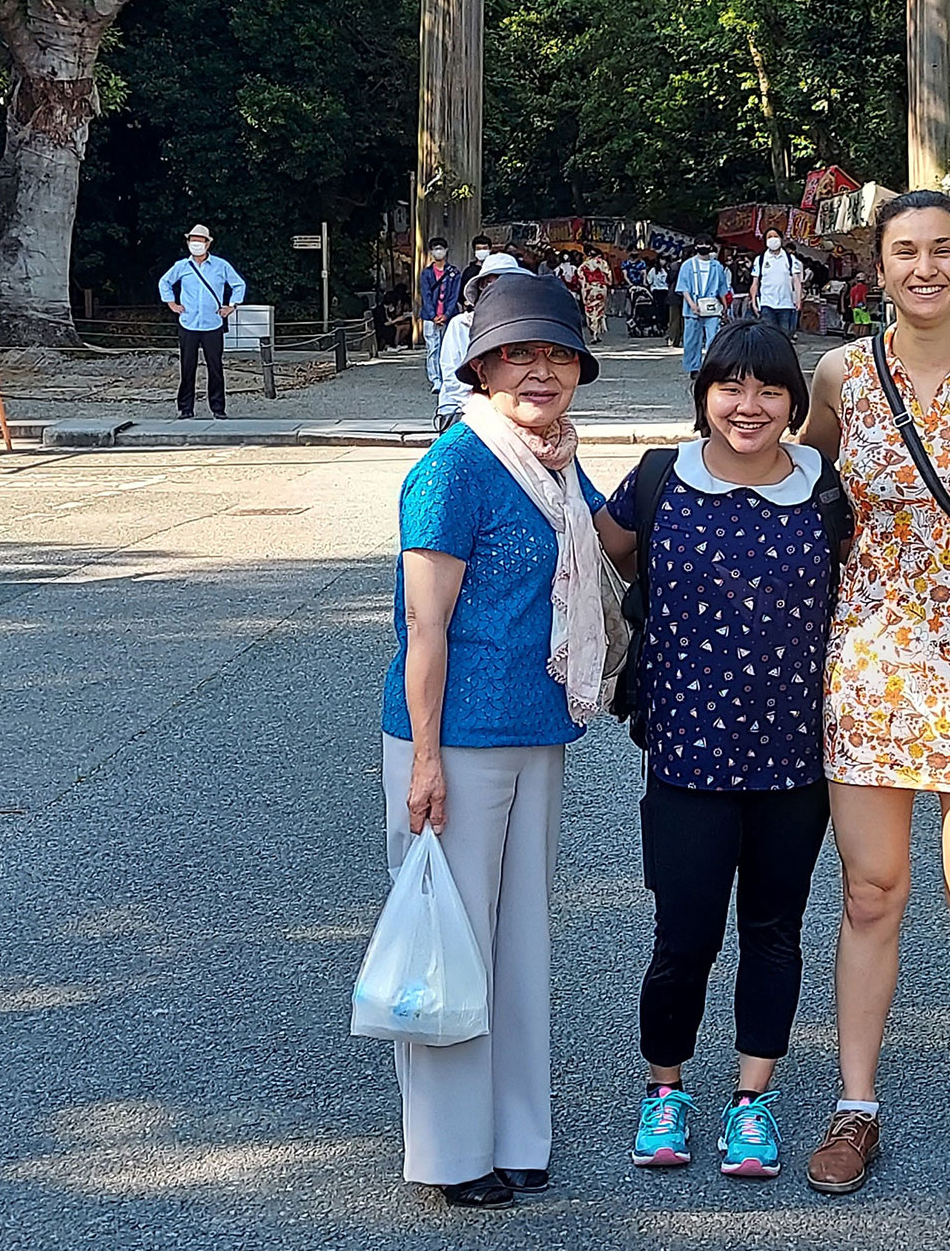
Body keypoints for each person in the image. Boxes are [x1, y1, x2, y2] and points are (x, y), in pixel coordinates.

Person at [795, 191, 950, 1212]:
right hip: (871, 656)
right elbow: (797, 483)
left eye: (944, 249)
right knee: (869, 892)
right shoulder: (843, 374)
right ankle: (856, 1105)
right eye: (905, 251)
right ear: (877, 266)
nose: (925, 267)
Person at [378, 273, 608, 1211]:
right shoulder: (454, 467)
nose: (539, 371)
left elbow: (613, 541)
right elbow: (423, 629)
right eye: (519, 353)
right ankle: (447, 1149)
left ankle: (518, 1132)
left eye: (555, 354)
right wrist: (425, 758)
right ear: (481, 365)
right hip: (454, 738)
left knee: (521, 941)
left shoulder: (555, 462)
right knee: (456, 939)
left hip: (536, 728)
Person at [597, 320, 839, 1183]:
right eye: (730, 387)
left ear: (793, 403)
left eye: (770, 389)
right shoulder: (663, 478)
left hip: (795, 761)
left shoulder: (823, 488)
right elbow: (602, 547)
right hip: (686, 757)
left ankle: (752, 1101)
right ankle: (665, 1090)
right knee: (684, 935)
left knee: (774, 932)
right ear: (703, 395)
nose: (749, 405)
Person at [157, 224, 246, 420]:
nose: (196, 244)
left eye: (200, 240)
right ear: (188, 242)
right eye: (193, 240)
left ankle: (218, 408)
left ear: (208, 243)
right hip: (188, 322)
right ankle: (185, 408)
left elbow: (239, 284)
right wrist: (171, 303)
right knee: (187, 367)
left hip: (212, 323)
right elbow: (165, 282)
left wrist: (231, 305)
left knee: (215, 367)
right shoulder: (181, 266)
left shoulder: (221, 265)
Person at [435, 253, 524, 431]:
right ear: (483, 287)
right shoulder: (461, 325)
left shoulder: (522, 329)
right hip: (462, 410)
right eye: (493, 283)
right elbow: (453, 377)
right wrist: (484, 409)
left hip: (511, 411)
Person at [676, 243, 732, 374]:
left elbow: (722, 287)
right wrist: (691, 304)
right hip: (693, 307)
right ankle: (693, 367)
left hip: (712, 307)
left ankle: (712, 365)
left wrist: (725, 306)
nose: (704, 246)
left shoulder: (717, 266)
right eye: (700, 244)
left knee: (714, 338)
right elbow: (683, 287)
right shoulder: (688, 265)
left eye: (706, 244)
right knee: (692, 339)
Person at [420, 238, 465, 390]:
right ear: (431, 252)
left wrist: (446, 314)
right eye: (435, 248)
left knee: (448, 348)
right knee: (432, 348)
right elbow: (425, 295)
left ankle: (448, 377)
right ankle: (435, 379)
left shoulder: (454, 273)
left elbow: (454, 296)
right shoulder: (426, 274)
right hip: (429, 317)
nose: (438, 251)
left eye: (441, 248)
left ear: (446, 250)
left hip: (448, 316)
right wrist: (433, 315)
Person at [752, 231, 808, 334]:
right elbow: (755, 283)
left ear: (781, 239)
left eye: (775, 236)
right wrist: (754, 301)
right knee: (769, 335)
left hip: (786, 304)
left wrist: (798, 300)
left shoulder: (790, 259)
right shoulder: (760, 260)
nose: (773, 239)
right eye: (769, 237)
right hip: (766, 303)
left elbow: (796, 281)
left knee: (785, 335)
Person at [580, 249, 614, 339]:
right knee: (599, 310)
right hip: (601, 288)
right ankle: (597, 332)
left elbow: (582, 280)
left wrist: (584, 292)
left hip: (589, 289)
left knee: (590, 310)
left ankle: (593, 331)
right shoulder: (603, 263)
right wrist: (608, 283)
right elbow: (609, 277)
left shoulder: (584, 265)